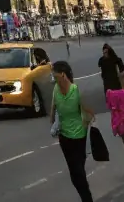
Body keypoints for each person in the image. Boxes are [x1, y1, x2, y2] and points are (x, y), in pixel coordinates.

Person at [50, 61, 96, 202]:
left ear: (63, 75)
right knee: (74, 173)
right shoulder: (56, 90)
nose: (53, 78)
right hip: (64, 138)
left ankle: (87, 198)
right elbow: (52, 112)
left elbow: (89, 113)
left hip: (79, 137)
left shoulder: (76, 90)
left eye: (55, 75)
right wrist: (55, 124)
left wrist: (87, 120)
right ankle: (86, 198)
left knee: (78, 172)